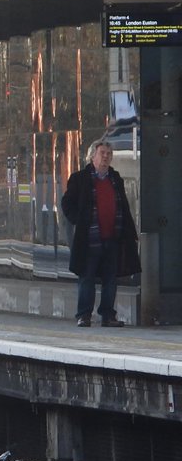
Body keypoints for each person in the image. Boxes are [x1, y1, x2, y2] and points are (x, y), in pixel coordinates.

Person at [61, 139, 140, 327]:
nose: (106, 157)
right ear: (92, 156)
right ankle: (84, 315)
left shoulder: (115, 178)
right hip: (90, 240)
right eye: (102, 153)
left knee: (110, 279)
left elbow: (123, 206)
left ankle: (107, 315)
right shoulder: (80, 178)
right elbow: (67, 203)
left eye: (109, 154)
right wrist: (78, 220)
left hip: (112, 238)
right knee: (87, 277)